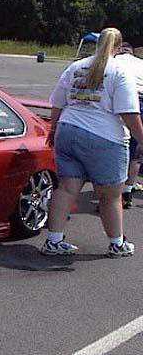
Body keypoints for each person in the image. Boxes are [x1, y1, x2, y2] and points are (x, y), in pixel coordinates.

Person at [42, 27, 143, 258]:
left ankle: (53, 241)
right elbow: (128, 112)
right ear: (119, 47)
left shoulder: (76, 66)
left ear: (97, 44)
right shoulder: (119, 71)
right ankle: (117, 244)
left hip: (67, 131)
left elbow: (57, 103)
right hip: (103, 137)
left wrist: (53, 130)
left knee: (66, 188)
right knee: (111, 195)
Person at [116, 42, 143, 208]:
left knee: (116, 145)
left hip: (122, 100)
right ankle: (127, 191)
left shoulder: (114, 61)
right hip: (141, 100)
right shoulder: (140, 63)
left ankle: (113, 193)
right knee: (136, 150)